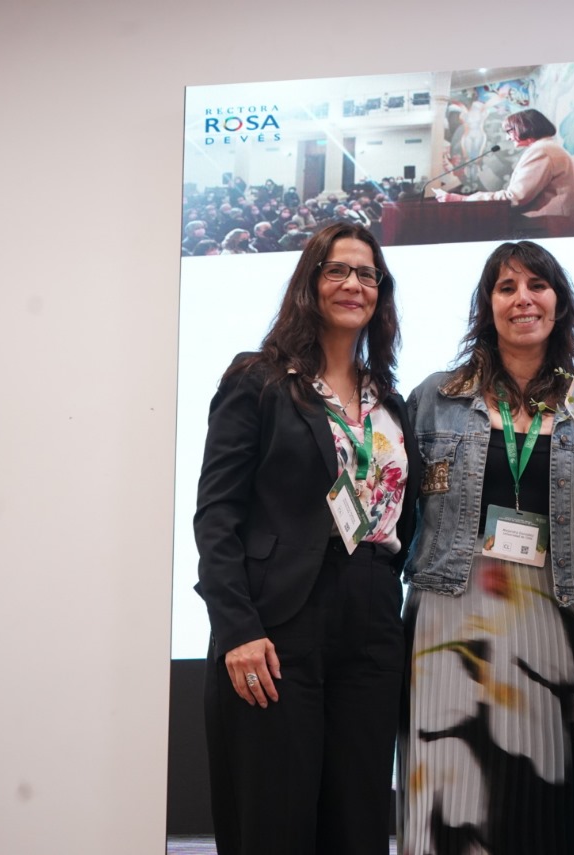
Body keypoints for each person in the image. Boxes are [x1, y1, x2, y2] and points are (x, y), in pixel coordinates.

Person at [194, 221, 419, 855]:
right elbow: (216, 516)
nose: (354, 284)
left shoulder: (389, 401)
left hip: (373, 616)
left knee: (358, 822)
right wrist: (236, 629)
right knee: (276, 821)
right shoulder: (259, 380)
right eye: (337, 270)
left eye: (367, 274)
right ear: (309, 282)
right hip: (278, 620)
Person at [399, 241, 574, 855]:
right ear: (486, 306)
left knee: (544, 797)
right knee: (447, 795)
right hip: (447, 617)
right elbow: (393, 515)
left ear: (559, 302)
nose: (523, 300)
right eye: (506, 287)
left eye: (537, 285)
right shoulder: (435, 397)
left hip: (551, 615)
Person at [434, 109, 574, 235]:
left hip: (549, 226)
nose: (507, 137)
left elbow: (514, 197)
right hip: (557, 223)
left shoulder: (541, 151)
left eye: (509, 131)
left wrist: (464, 200)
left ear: (525, 127)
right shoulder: (548, 147)